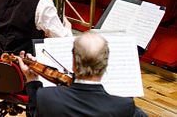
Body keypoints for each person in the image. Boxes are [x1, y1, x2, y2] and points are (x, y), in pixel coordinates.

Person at [19, 32, 147, 117]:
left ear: (74, 61)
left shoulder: (46, 97)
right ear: (105, 63)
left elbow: (34, 114)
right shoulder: (123, 106)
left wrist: (32, 81)